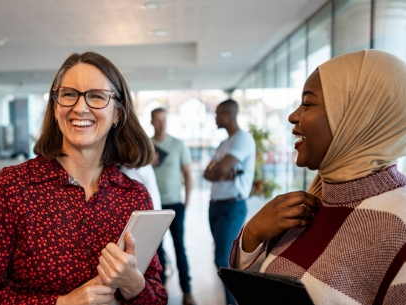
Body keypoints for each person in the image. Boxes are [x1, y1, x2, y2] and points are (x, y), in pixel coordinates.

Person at [0, 51, 168, 305]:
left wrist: (134, 284)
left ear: (118, 114)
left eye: (97, 96)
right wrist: (61, 303)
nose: (79, 107)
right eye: (68, 95)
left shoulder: (134, 196)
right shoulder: (14, 186)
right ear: (56, 108)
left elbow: (157, 297)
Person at [230, 50, 406, 304]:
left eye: (308, 104)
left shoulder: (398, 225)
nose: (293, 116)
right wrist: (253, 233)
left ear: (356, 117)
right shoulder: (312, 202)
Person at [203, 99, 255, 305]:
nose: (215, 118)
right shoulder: (224, 143)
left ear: (228, 115)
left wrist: (219, 171)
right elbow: (208, 173)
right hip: (215, 205)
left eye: (217, 114)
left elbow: (218, 170)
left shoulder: (243, 139)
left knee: (223, 260)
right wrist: (219, 172)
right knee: (222, 259)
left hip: (231, 207)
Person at [150, 108, 196, 305]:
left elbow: (187, 173)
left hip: (175, 204)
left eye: (164, 120)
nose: (162, 124)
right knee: (156, 252)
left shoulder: (178, 144)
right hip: (153, 207)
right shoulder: (147, 146)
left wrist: (186, 200)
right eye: (158, 121)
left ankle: (187, 291)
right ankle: (160, 290)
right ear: (152, 122)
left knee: (179, 248)